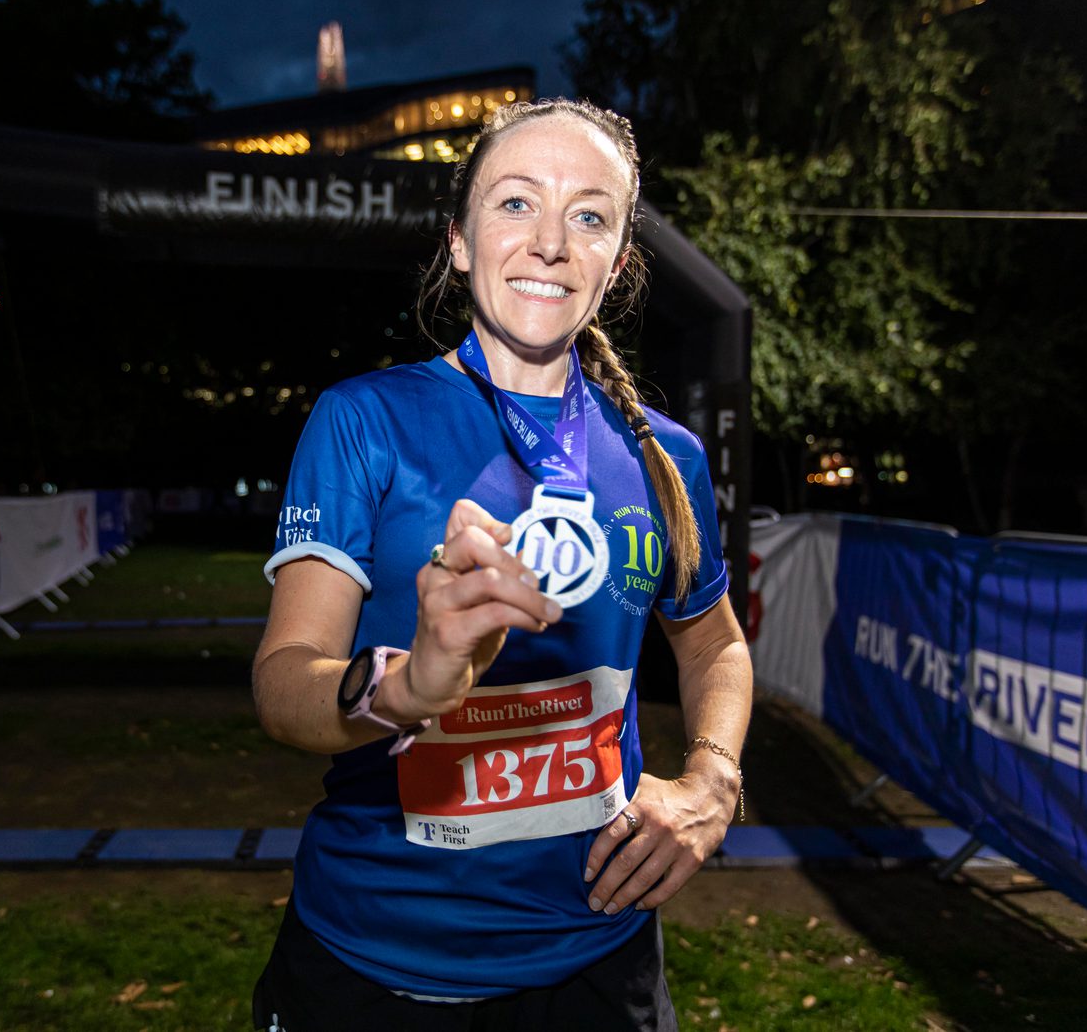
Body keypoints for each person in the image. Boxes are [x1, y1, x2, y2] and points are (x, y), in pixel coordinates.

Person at [250, 97, 753, 1031]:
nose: (551, 242)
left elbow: (714, 643)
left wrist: (712, 784)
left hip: (598, 968)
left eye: (590, 216)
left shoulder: (664, 458)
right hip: (371, 965)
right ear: (461, 242)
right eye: (517, 203)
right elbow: (282, 687)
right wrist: (405, 691)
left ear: (620, 265)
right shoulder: (364, 421)